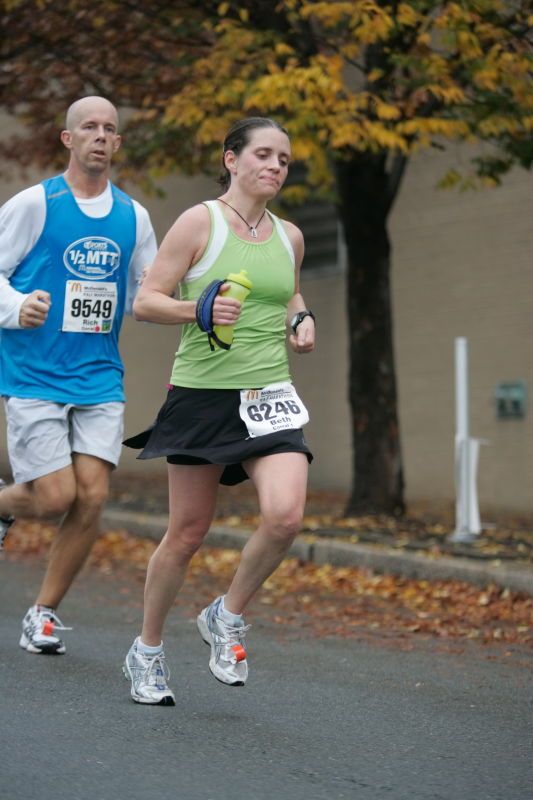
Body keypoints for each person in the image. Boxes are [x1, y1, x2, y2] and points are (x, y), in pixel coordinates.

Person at [122, 116, 316, 705]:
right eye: (263, 154)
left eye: (283, 159)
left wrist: (299, 320)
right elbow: (147, 301)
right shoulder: (198, 222)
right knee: (186, 534)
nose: (275, 166)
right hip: (203, 396)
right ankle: (147, 650)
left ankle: (226, 615)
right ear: (231, 159)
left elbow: (288, 292)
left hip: (270, 396)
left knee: (284, 517)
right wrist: (197, 310)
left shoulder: (291, 236)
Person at [0, 96, 157, 655]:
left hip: (97, 375)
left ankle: (42, 613)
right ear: (67, 139)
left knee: (91, 497)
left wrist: (193, 304)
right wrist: (17, 307)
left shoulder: (133, 217)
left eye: (109, 129)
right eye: (88, 127)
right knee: (53, 496)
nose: (99, 136)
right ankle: (3, 506)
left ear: (117, 144)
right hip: (34, 372)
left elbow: (146, 294)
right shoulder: (35, 205)